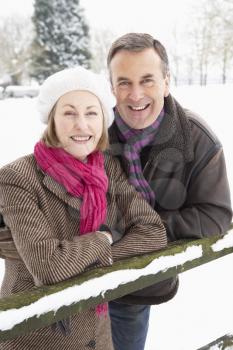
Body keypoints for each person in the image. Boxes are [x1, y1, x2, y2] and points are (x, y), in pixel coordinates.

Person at [0, 66, 167, 350]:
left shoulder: (106, 168)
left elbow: (153, 232)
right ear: (51, 119)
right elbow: (49, 266)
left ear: (103, 120)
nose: (82, 125)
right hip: (38, 334)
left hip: (97, 335)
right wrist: (104, 237)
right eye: (69, 113)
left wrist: (83, 253)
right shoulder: (17, 178)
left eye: (91, 112)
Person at [107, 32, 232, 350]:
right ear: (111, 87)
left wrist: (139, 234)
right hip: (68, 283)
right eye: (124, 82)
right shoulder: (90, 132)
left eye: (147, 80)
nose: (135, 95)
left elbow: (215, 214)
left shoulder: (197, 138)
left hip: (131, 286)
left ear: (165, 82)